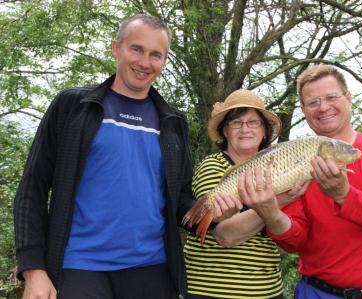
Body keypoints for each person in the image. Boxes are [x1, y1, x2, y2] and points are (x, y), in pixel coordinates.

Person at [14, 13, 238, 299]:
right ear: (116, 48)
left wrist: (212, 212)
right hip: (79, 267)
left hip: (152, 268)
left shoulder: (172, 122)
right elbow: (32, 187)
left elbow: (179, 200)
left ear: (164, 61)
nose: (145, 63)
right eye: (136, 49)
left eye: (156, 54)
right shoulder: (73, 107)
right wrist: (33, 268)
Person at [239, 64, 362, 298]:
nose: (323, 108)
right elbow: (295, 241)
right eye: (313, 102)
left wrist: (344, 195)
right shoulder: (295, 160)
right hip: (318, 292)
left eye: (331, 97)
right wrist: (270, 213)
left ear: (348, 98)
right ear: (303, 109)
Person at [183, 89, 307, 299]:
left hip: (267, 290)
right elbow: (226, 236)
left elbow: (286, 247)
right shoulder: (213, 166)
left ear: (265, 130)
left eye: (253, 122)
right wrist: (275, 203)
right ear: (224, 131)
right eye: (236, 123)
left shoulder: (283, 168)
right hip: (211, 290)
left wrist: (279, 205)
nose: (245, 129)